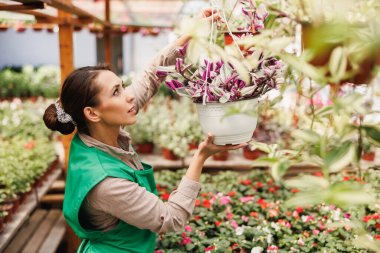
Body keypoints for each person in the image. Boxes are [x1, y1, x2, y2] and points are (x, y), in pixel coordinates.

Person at [43, 10, 247, 253]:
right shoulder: (106, 183)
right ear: (92, 113)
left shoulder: (96, 129)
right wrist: (201, 156)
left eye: (121, 85)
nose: (129, 95)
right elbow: (171, 219)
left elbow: (152, 75)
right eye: (116, 91)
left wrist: (191, 34)